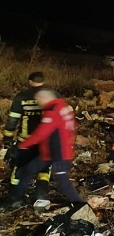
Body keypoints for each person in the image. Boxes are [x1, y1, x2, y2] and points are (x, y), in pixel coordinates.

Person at [2, 87, 84, 209]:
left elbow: (40, 134)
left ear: (45, 98)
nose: (38, 103)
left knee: (63, 182)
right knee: (26, 171)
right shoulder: (63, 108)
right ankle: (15, 200)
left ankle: (81, 205)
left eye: (39, 100)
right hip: (51, 153)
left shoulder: (52, 112)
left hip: (58, 155)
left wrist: (20, 147)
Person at [2, 71, 51, 202]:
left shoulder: (22, 97)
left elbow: (12, 121)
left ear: (30, 81)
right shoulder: (53, 96)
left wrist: (7, 139)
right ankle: (41, 197)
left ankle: (14, 198)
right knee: (44, 169)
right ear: (43, 81)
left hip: (26, 142)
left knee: (19, 168)